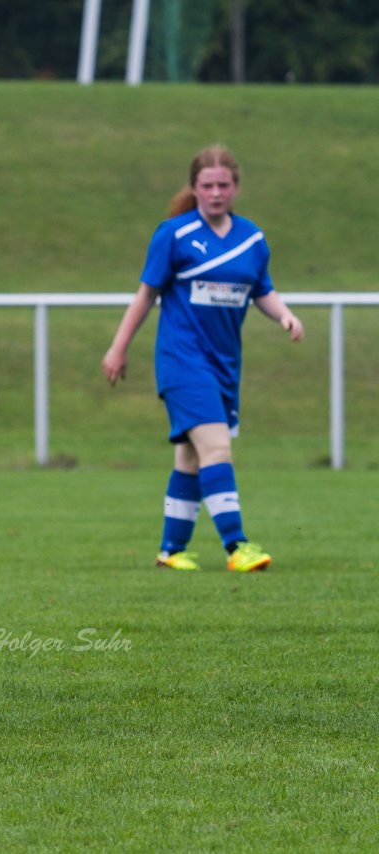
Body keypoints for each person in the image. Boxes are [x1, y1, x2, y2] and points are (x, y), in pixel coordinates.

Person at [102, 144, 303, 573]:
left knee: (191, 459)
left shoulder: (252, 238)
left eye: (223, 185)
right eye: (207, 185)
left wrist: (284, 315)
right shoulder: (173, 235)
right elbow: (145, 297)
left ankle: (171, 551)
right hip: (182, 361)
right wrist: (118, 348)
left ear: (236, 188)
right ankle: (238, 546)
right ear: (194, 188)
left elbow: (261, 290)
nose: (215, 193)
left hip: (225, 364)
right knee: (216, 449)